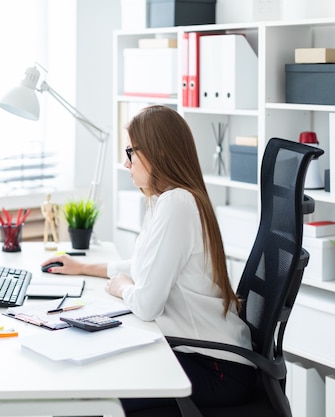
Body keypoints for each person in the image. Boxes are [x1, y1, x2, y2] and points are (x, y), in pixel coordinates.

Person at [41, 105, 256, 411]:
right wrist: (83, 267)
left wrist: (122, 288)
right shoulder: (162, 201)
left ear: (156, 152)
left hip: (219, 366)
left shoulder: (178, 204)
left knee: (114, 383)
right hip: (195, 351)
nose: (125, 163)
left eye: (130, 152)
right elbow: (145, 267)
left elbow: (147, 304)